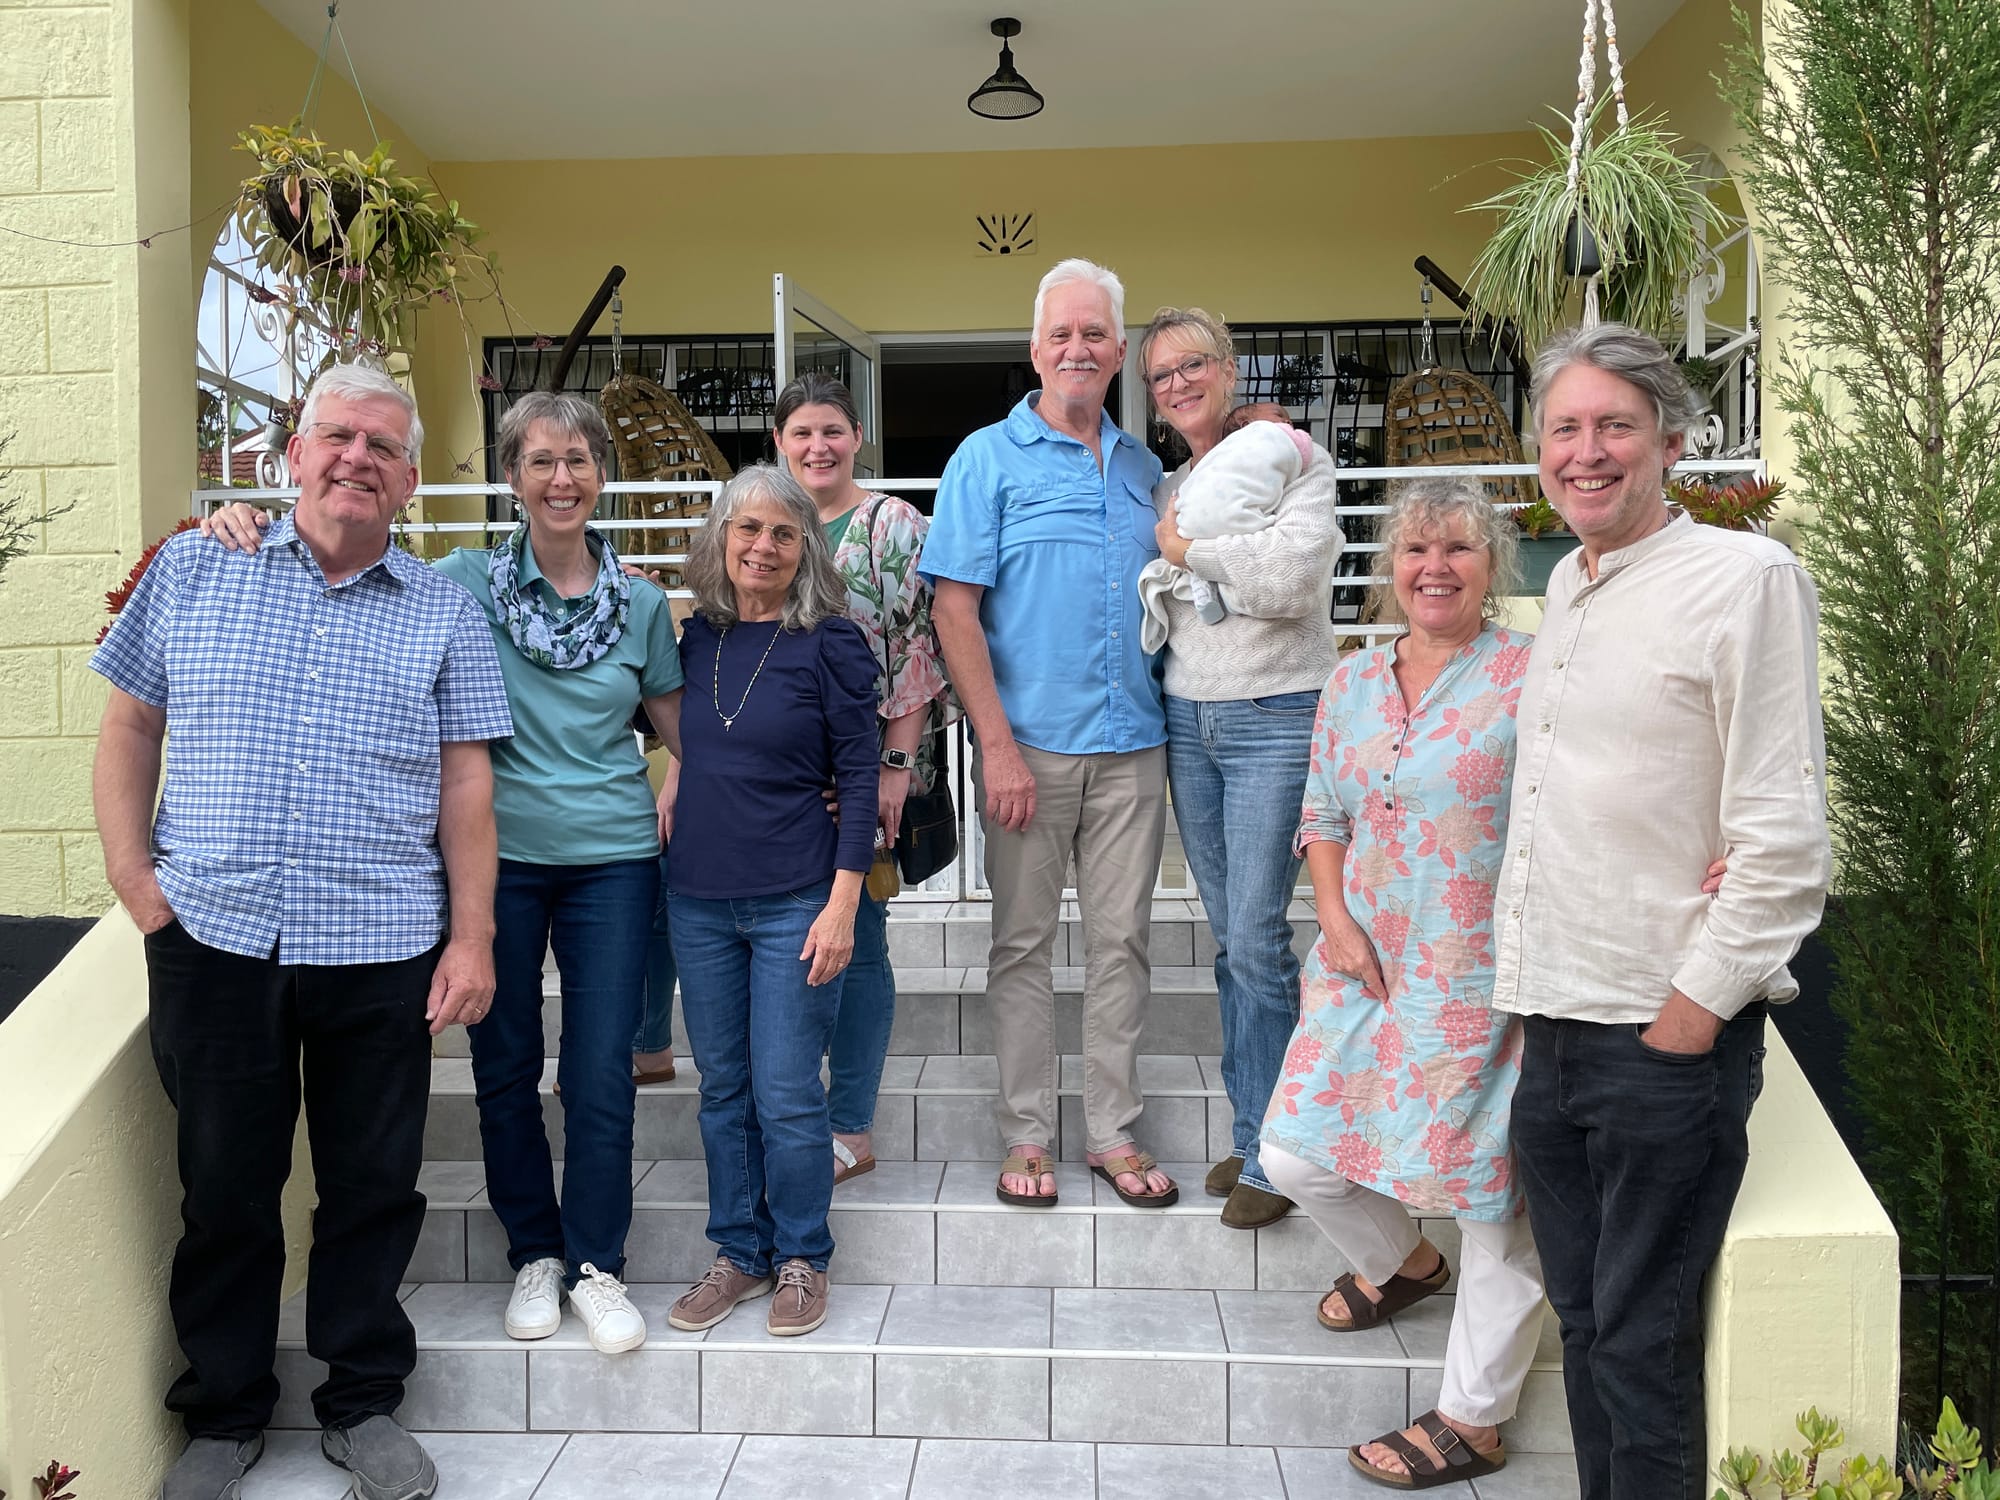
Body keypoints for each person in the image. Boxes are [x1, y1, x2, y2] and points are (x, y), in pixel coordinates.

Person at [93, 364, 513, 1500]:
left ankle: (360, 1400)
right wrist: (136, 881)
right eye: (337, 437)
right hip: (215, 938)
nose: (356, 459)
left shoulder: (442, 611)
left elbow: (465, 784)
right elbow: (130, 727)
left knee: (373, 1185)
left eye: (383, 448)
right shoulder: (195, 567)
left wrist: (471, 937)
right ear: (293, 453)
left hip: (381, 944)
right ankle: (224, 1413)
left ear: (410, 481)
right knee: (224, 1186)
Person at [204, 391, 687, 1360]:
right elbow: (349, 557)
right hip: (495, 865)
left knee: (600, 1071)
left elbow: (686, 735)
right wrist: (237, 517)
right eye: (540, 460)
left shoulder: (637, 604)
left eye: (578, 460)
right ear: (511, 477)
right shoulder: (462, 582)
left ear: (601, 476)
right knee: (504, 1067)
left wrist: (746, 792)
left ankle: (596, 1263)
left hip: (612, 864)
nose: (561, 479)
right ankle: (535, 1253)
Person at [1493, 323, 1830, 1500]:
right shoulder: (1568, 589)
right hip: (1554, 1031)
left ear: (1671, 443)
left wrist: (1684, 1023)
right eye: (1563, 429)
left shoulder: (1743, 581)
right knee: (1587, 1331)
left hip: (1658, 1038)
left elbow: (1783, 842)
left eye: (1613, 426)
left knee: (1639, 1351)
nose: (1584, 452)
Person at [923, 257, 1178, 1209]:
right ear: (1035, 350)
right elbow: (954, 610)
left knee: (1124, 945)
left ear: (1118, 350)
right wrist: (994, 747)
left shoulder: (1146, 469)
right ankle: (1027, 1133)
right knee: (1023, 946)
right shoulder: (985, 458)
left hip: (1133, 744)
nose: (1078, 347)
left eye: (1094, 333)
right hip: (1025, 748)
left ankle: (1112, 1132)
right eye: (1061, 333)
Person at [661, 464, 879, 1338]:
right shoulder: (695, 641)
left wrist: (843, 903)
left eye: (784, 533)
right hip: (698, 901)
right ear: (721, 538)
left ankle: (801, 1257)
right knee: (722, 1089)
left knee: (787, 1092)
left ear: (806, 550)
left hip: (797, 899)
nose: (764, 546)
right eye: (747, 528)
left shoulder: (831, 642)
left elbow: (858, 779)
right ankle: (740, 1253)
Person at [1142, 307, 1343, 1229]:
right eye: (1161, 375)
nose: (1178, 384)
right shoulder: (1174, 483)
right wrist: (1216, 559)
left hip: (1277, 714)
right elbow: (1236, 577)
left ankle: (1281, 1153)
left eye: (1193, 365)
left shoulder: (1296, 459)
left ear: (1227, 368)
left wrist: (1187, 553)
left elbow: (1291, 582)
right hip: (1189, 719)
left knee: (1259, 939)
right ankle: (1257, 1127)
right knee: (1231, 940)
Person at [768, 371, 956, 1185]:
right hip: (778, 775)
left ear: (856, 438)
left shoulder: (891, 524)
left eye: (832, 431)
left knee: (860, 937)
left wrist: (894, 766)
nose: (818, 447)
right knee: (791, 938)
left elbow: (919, 645)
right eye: (802, 433)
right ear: (780, 441)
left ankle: (851, 1123)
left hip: (864, 769)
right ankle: (789, 1110)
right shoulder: (766, 520)